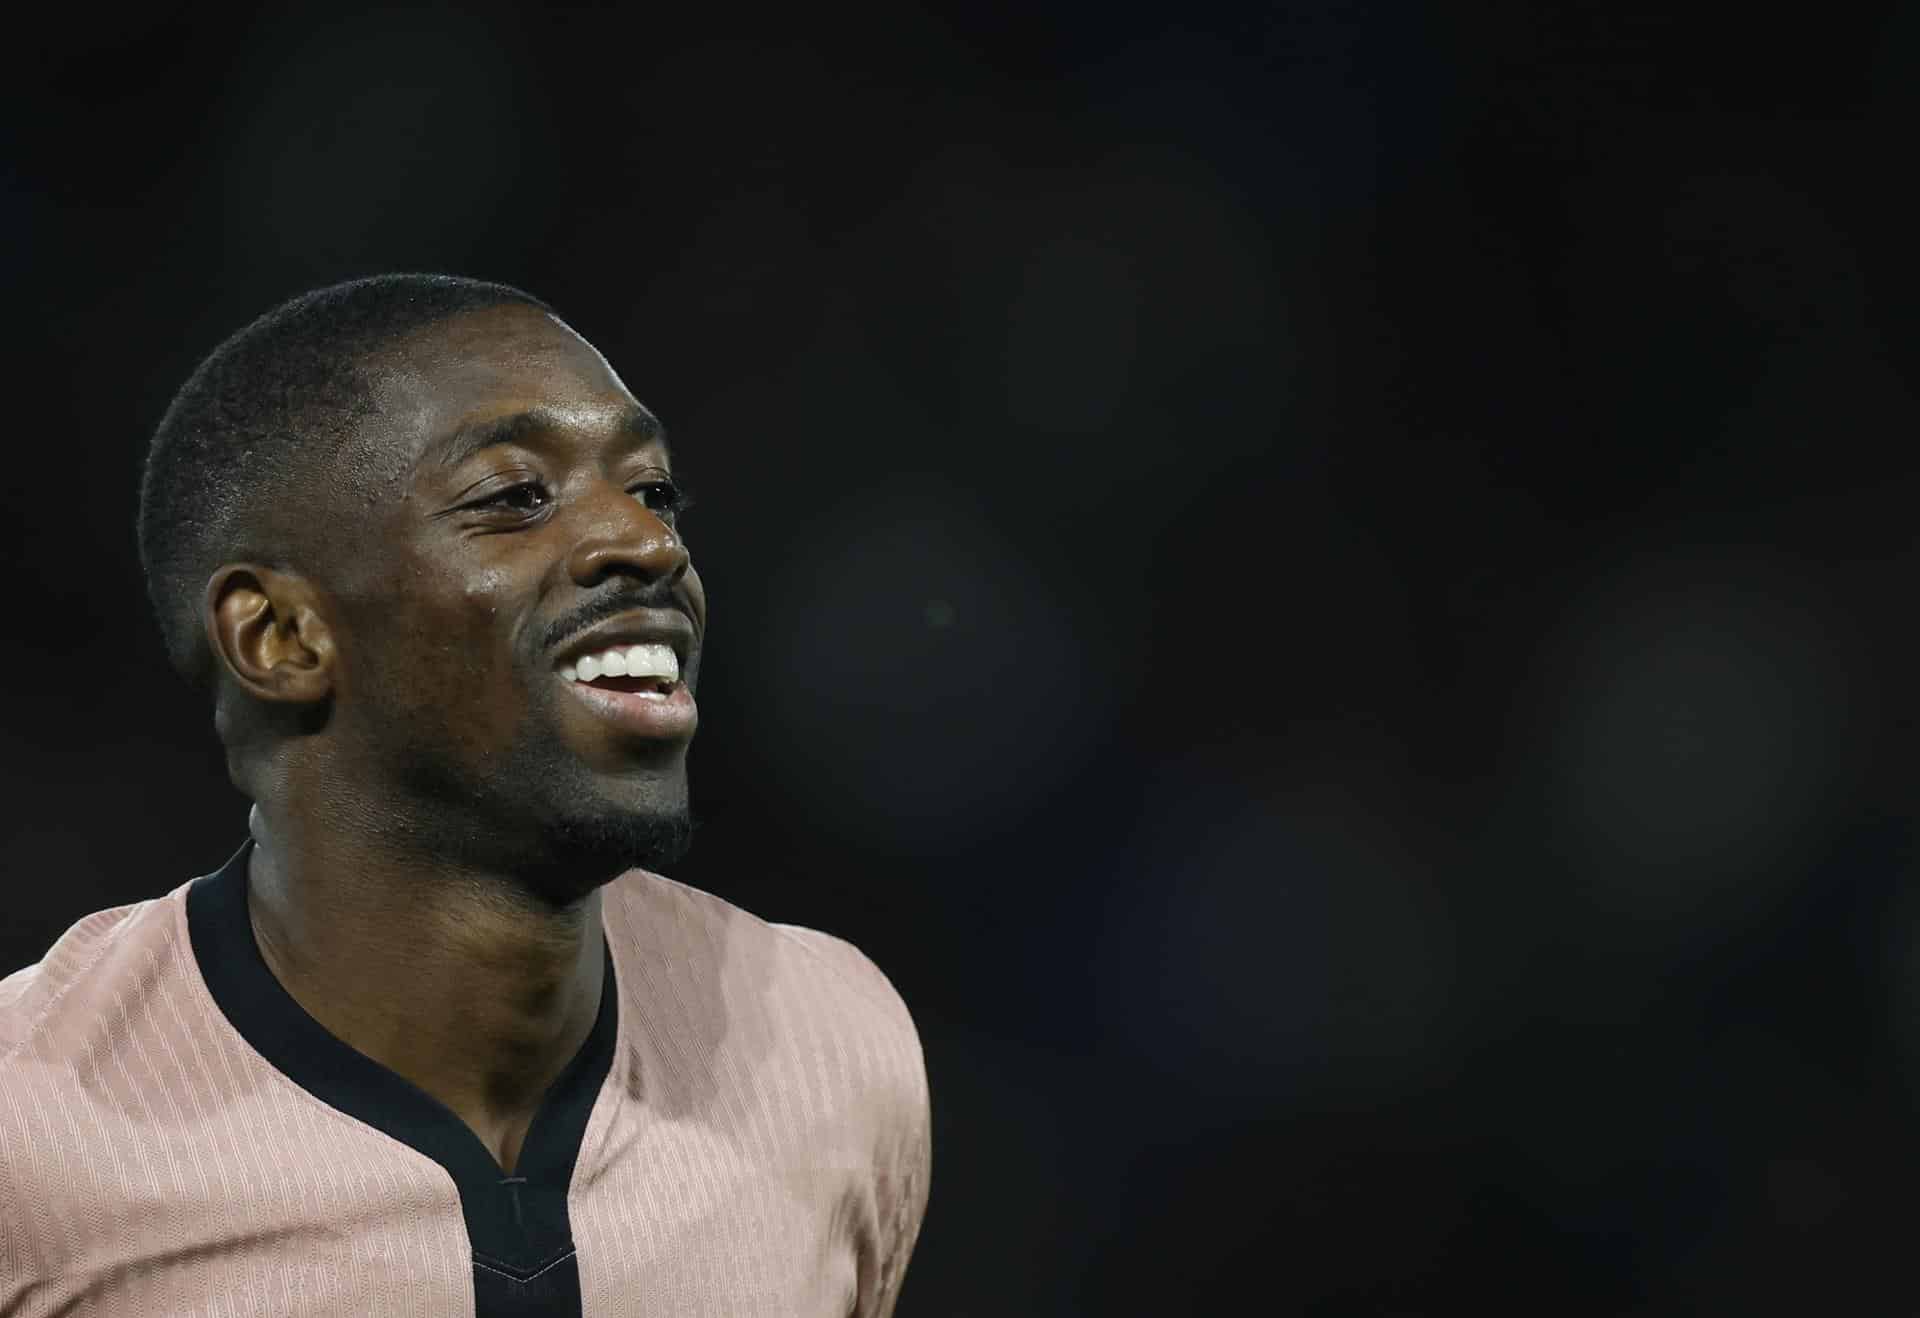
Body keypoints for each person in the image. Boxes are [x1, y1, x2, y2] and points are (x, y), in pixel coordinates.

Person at [0, 275, 931, 1317]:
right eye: (515, 497)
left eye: (654, 491)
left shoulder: (831, 1041)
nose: (650, 544)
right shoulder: (26, 1134)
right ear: (281, 638)